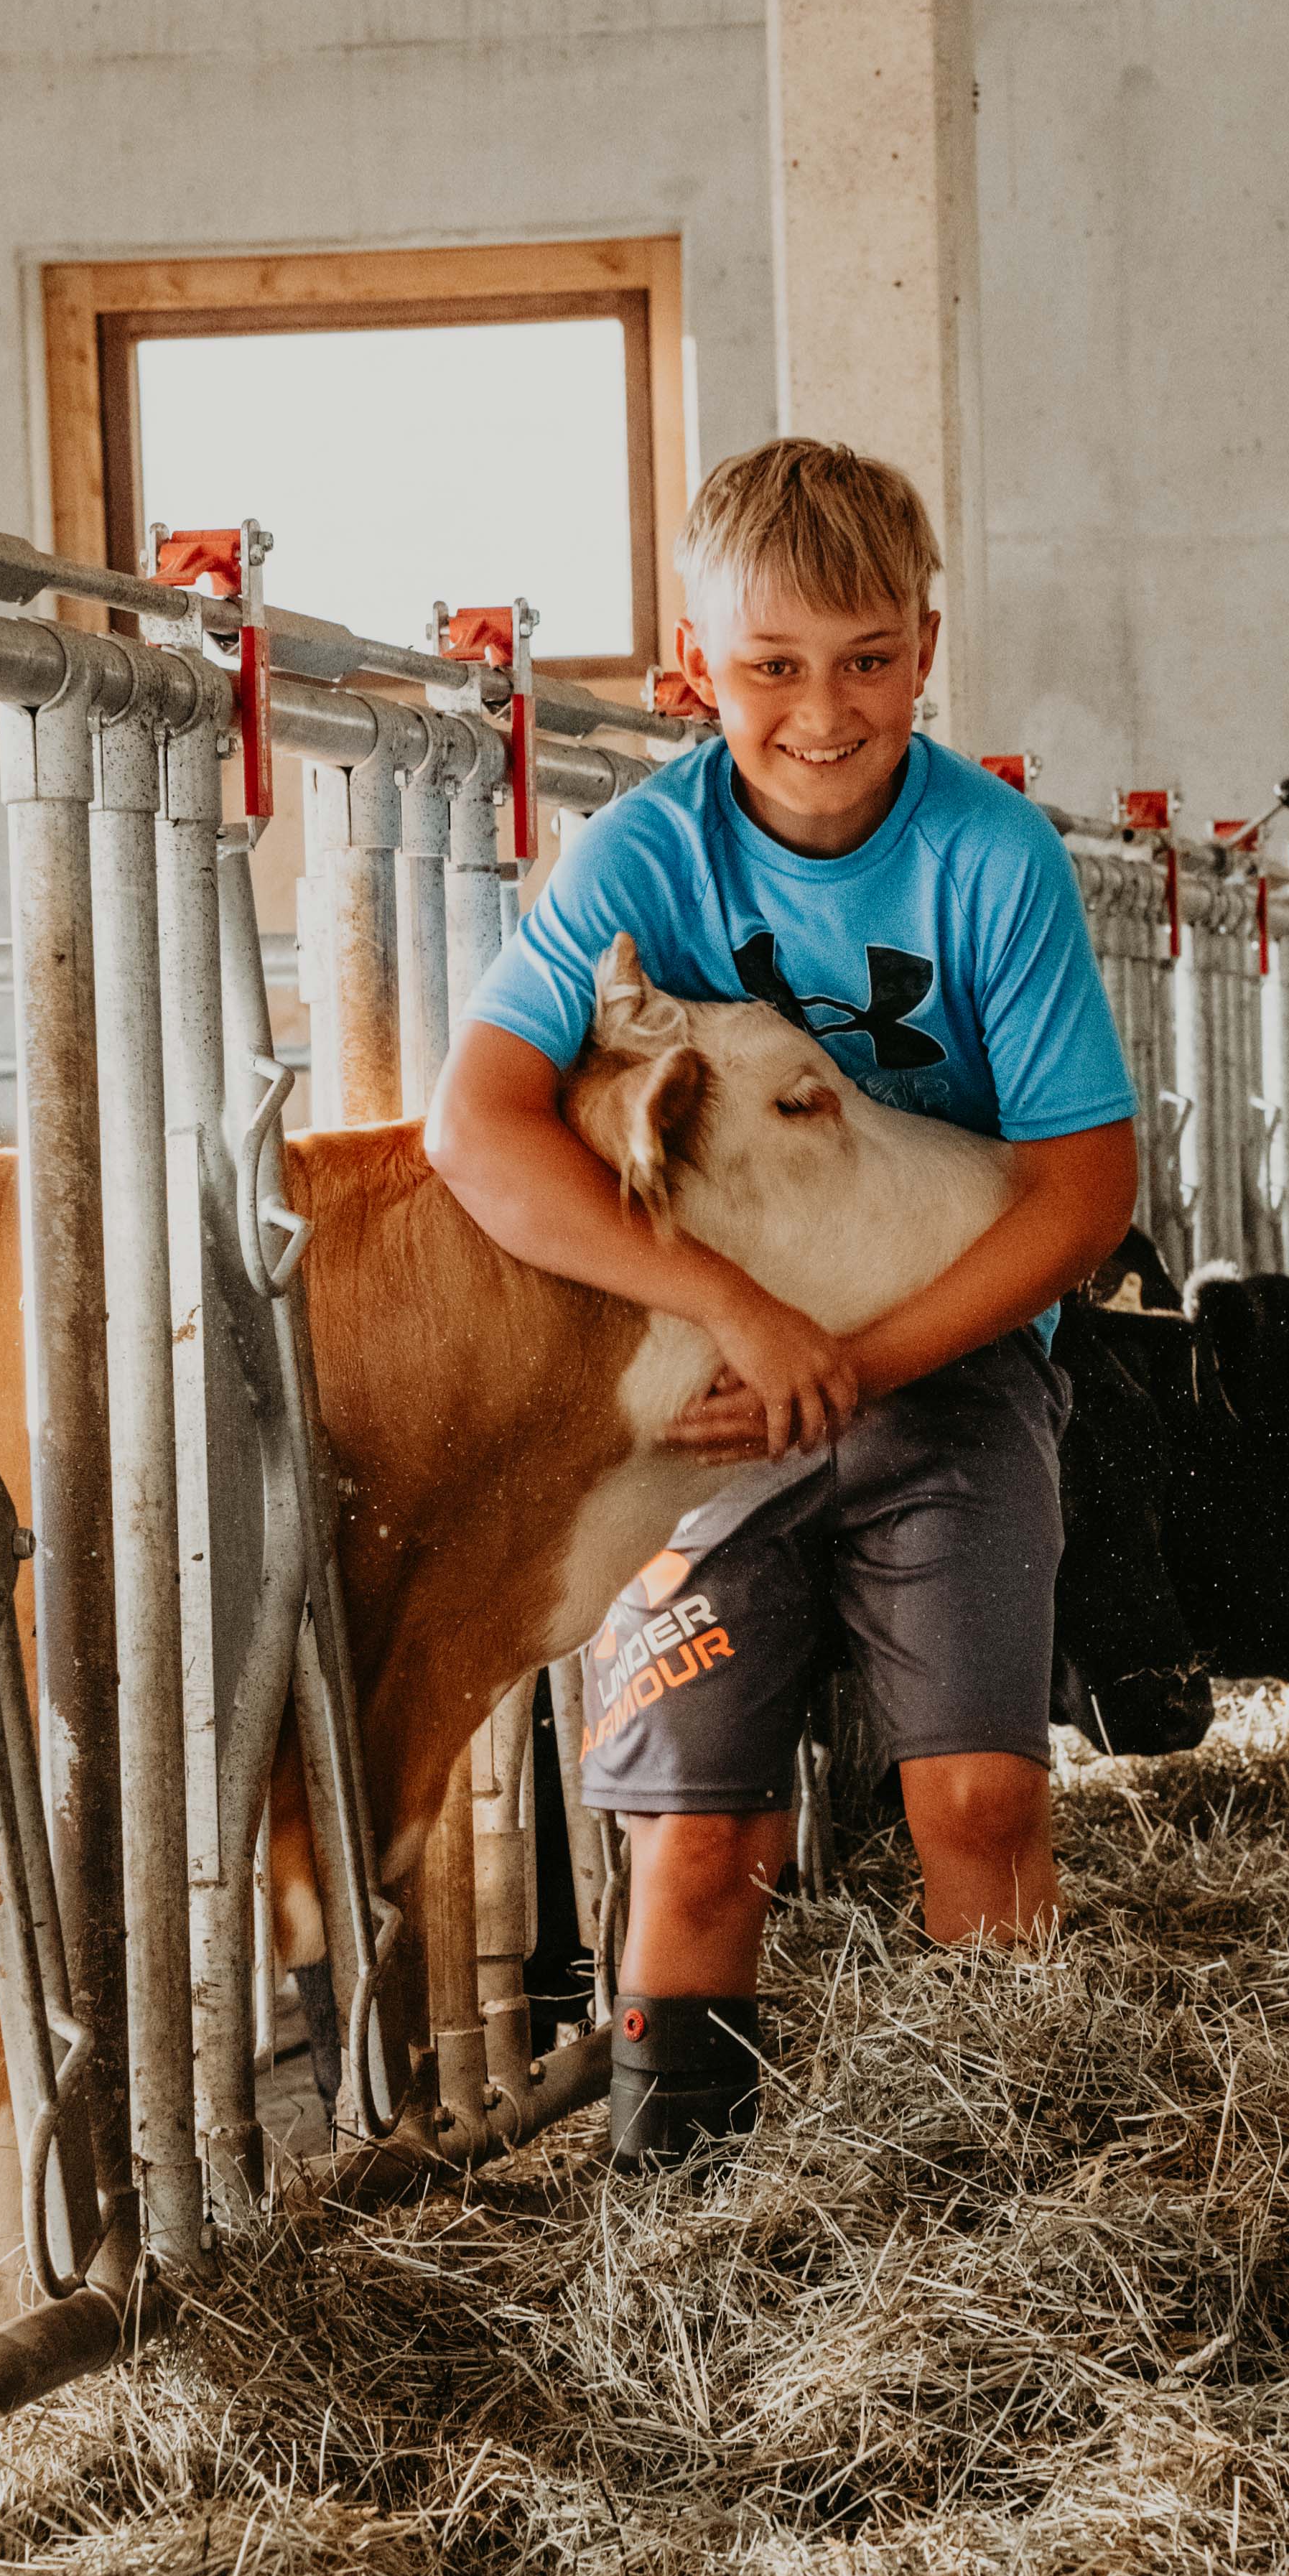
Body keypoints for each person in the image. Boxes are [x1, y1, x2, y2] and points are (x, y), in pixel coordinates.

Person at [422, 435, 1137, 2162]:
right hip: (717, 1405)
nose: (823, 713)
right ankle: (672, 2230)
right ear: (694, 674)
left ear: (925, 649)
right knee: (695, 1838)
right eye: (770, 669)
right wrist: (741, 1321)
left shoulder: (991, 858)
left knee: (974, 1796)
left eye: (867, 663)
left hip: (950, 1373)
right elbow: (473, 1125)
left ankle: (1018, 2195)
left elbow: (1085, 1191)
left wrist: (864, 1356)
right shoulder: (643, 858)